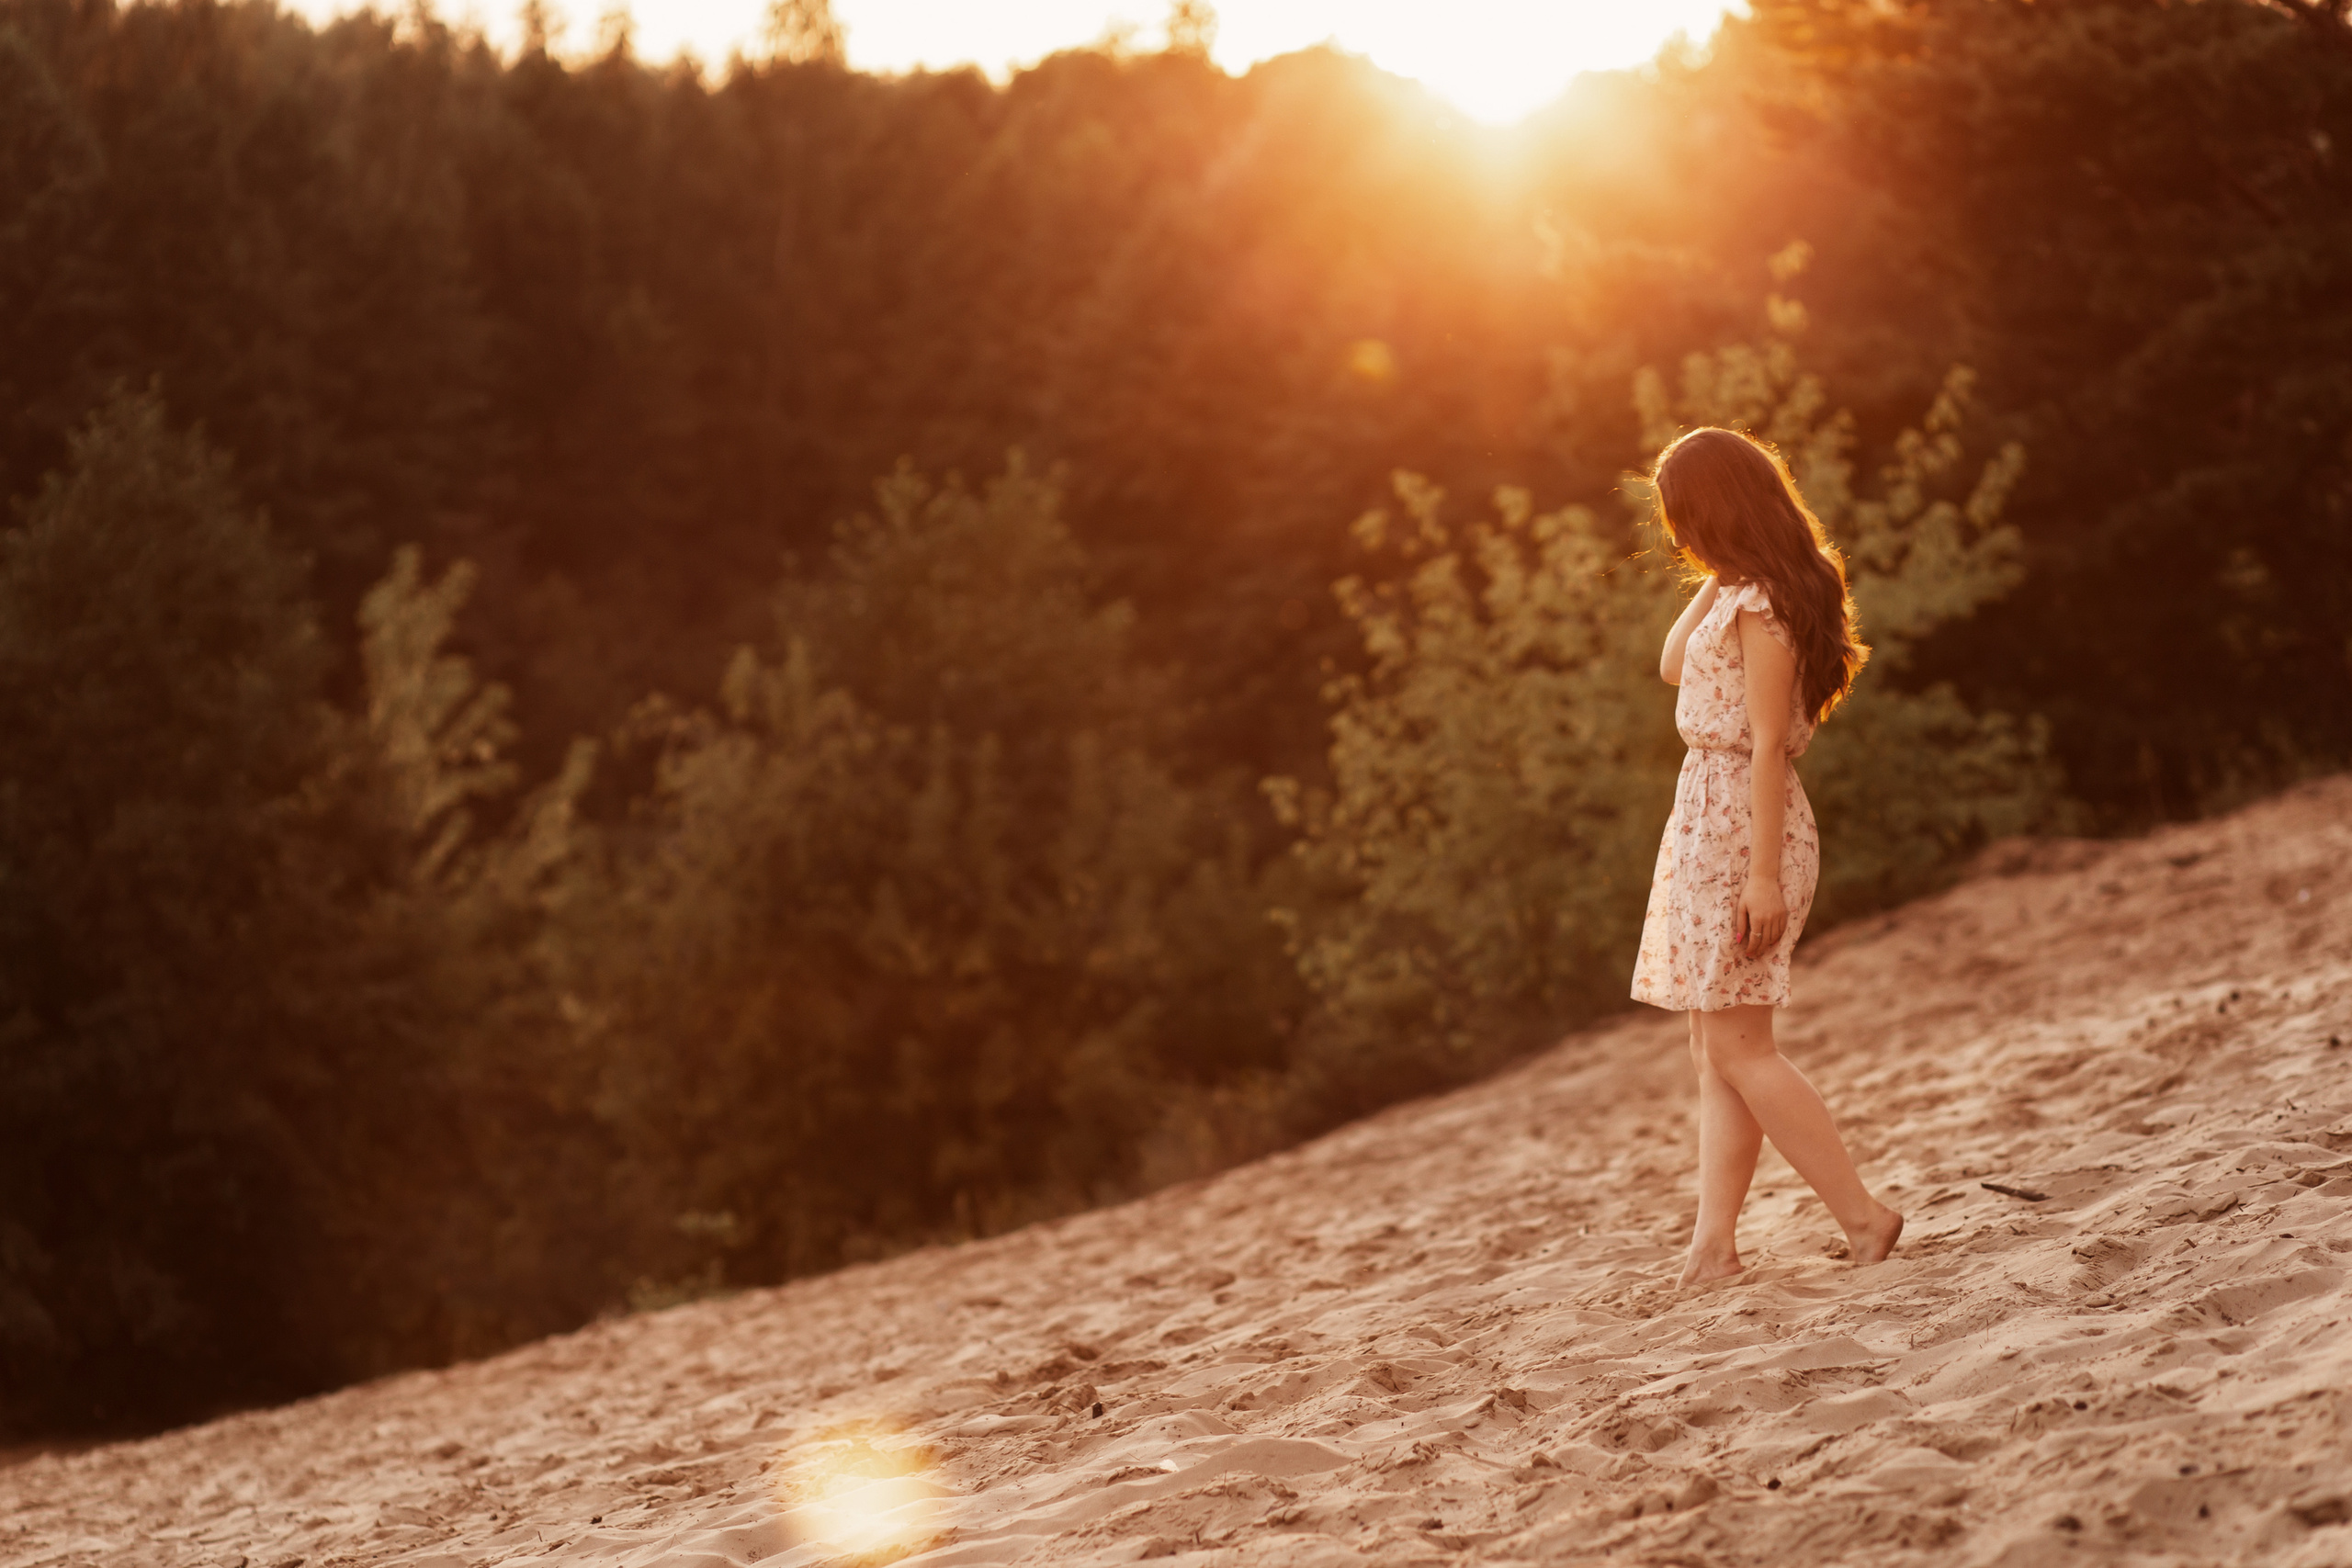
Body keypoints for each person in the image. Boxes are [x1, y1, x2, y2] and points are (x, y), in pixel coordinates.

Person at [1631, 426, 1903, 1287]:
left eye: (1684, 515)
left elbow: (1767, 744)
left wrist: (1759, 876)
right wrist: (1719, 570)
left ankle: (1863, 1217)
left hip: (1742, 827)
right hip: (1707, 817)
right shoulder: (1739, 591)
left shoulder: (1765, 607)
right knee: (1715, 1049)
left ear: (1714, 510)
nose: (1677, 535)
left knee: (1743, 1047)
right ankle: (1713, 1248)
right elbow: (1670, 665)